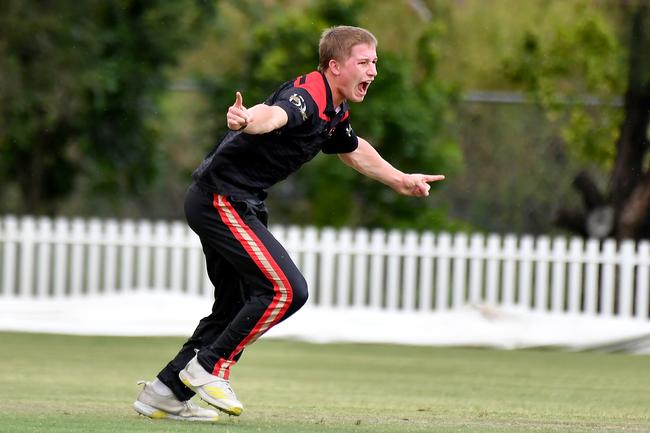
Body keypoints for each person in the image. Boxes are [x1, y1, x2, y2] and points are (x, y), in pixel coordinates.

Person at [133, 25, 445, 422]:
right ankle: (211, 366)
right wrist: (246, 119)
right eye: (364, 62)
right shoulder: (308, 95)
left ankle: (165, 392)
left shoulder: (334, 109)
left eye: (375, 63)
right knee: (286, 289)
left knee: (235, 305)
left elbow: (352, 149)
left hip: (229, 200)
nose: (373, 72)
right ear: (335, 66)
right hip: (220, 199)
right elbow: (274, 114)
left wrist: (401, 179)